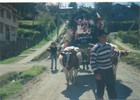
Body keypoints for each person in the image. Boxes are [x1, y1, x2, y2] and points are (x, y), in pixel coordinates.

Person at [90, 30, 129, 99]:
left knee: (111, 88)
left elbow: (114, 53)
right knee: (100, 89)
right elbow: (93, 62)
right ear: (99, 38)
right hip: (100, 72)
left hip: (109, 71)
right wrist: (96, 73)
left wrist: (123, 53)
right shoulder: (95, 49)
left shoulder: (108, 46)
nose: (105, 38)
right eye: (103, 37)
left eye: (105, 36)